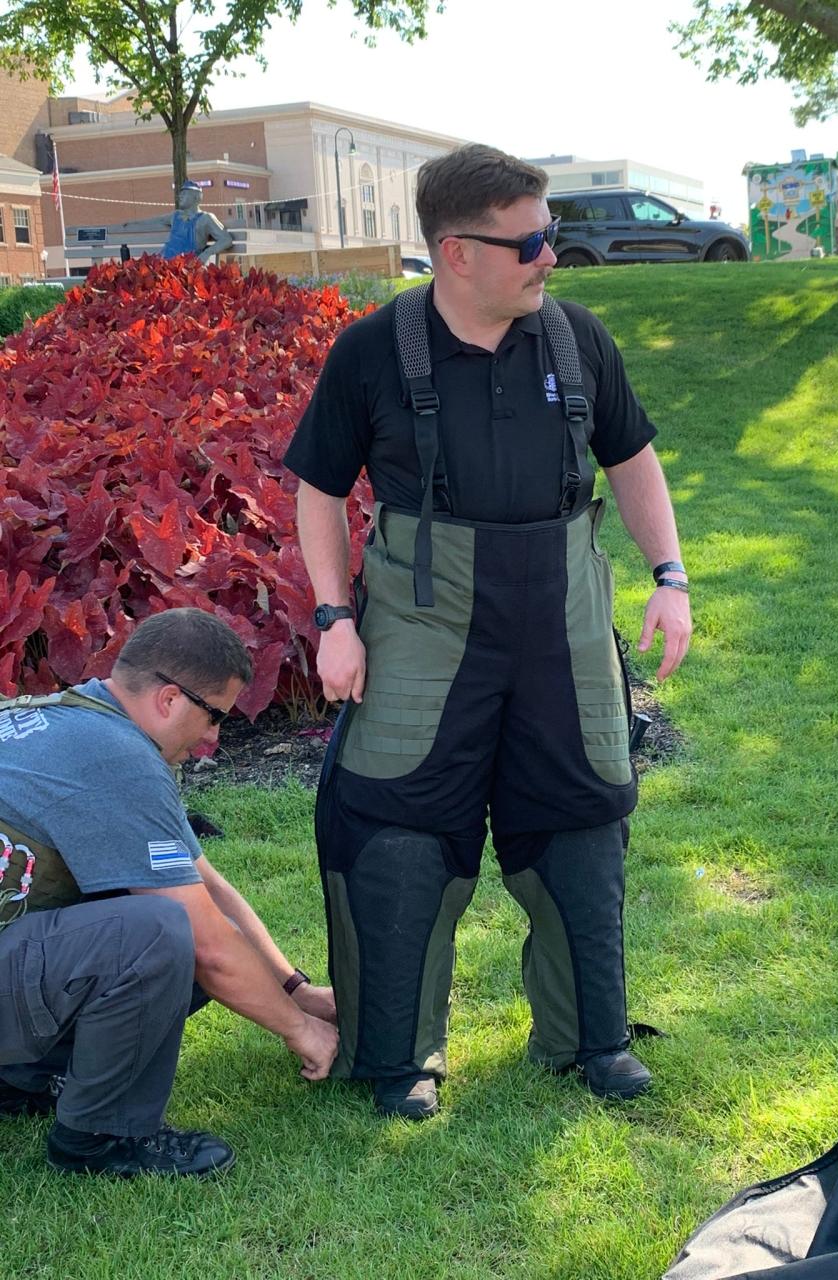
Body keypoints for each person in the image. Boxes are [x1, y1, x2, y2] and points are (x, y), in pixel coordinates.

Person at [284, 144, 692, 1121]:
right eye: (532, 241)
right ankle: (400, 1056)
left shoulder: (578, 339)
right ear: (456, 252)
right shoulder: (372, 351)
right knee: (398, 825)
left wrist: (670, 576)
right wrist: (336, 618)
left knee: (583, 814)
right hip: (422, 623)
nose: (553, 254)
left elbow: (631, 459)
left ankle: (589, 1039)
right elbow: (319, 491)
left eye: (549, 234)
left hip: (563, 616)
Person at [0, 608, 338, 1176]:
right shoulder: (118, 758)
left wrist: (294, 989)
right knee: (155, 931)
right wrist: (303, 1033)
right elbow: (205, 942)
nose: (214, 738)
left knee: (162, 914)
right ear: (170, 699)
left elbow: (206, 884)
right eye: (214, 717)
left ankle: (20, 1080)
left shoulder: (69, 716)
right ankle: (101, 1137)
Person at [116, 180, 233, 263]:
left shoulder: (205, 218)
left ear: (197, 197)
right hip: (163, 262)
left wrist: (207, 253)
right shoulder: (175, 216)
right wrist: (133, 223)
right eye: (180, 194)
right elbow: (156, 220)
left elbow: (226, 239)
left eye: (184, 193)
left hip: (185, 266)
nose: (180, 196)